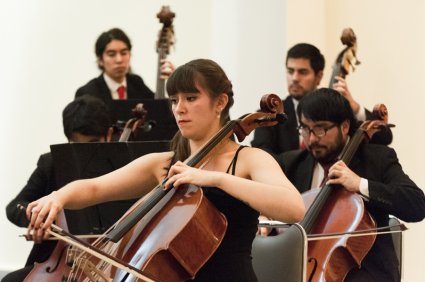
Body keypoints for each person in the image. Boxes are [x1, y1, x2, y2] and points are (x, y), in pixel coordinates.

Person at [26, 59, 305, 281]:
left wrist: (216, 179)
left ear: (220, 102)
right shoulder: (165, 164)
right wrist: (57, 197)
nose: (179, 109)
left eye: (191, 98)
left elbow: (293, 208)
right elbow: (95, 187)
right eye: (174, 100)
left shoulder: (249, 160)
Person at [277, 88, 425, 281]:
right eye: (305, 129)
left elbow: (417, 205)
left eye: (320, 129)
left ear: (345, 127)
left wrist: (360, 184)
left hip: (364, 271)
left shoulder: (377, 159)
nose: (312, 138)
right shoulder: (293, 163)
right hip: (305, 268)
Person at [3, 96, 112, 282]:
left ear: (108, 135)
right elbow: (15, 206)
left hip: (107, 264)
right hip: (57, 262)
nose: (84, 154)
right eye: (77, 145)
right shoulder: (52, 163)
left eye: (93, 144)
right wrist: (38, 218)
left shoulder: (124, 167)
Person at [251, 43, 391, 157]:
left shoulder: (335, 112)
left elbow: (383, 139)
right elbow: (261, 156)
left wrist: (355, 108)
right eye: (290, 71)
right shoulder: (269, 116)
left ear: (319, 76)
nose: (294, 78)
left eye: (303, 72)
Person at [75, 27, 174, 104]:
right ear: (100, 60)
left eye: (124, 53)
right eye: (111, 54)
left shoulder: (136, 83)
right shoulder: (87, 93)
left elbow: (161, 109)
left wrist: (175, 83)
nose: (119, 60)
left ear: (130, 54)